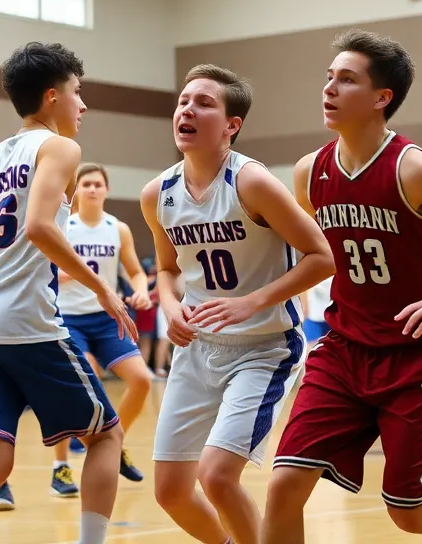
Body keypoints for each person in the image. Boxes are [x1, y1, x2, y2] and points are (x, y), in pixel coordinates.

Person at [262, 30, 422, 544]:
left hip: (417, 355)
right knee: (283, 485)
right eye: (328, 77)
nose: (329, 89)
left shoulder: (415, 169)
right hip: (343, 347)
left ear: (383, 98)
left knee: (408, 508)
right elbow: (315, 253)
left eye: (346, 79)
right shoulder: (308, 172)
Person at [0, 41, 137, 544]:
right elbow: (38, 225)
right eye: (79, 92)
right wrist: (104, 288)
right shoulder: (60, 147)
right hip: (25, 325)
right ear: (53, 96)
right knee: (106, 436)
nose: (84, 104)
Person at [142, 64, 334, 544]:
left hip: (263, 348)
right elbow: (167, 269)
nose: (188, 109)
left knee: (218, 476)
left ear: (232, 125)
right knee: (170, 491)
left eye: (204, 103)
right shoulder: (157, 194)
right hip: (196, 348)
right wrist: (169, 305)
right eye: (184, 100)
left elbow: (322, 257)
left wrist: (253, 301)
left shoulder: (252, 182)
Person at [0, 162, 154, 506]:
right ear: (76, 190)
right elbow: (38, 262)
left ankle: (115, 442)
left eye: (98, 184)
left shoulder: (118, 228)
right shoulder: (62, 225)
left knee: (141, 380)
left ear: (106, 190)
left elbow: (134, 271)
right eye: (86, 184)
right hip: (67, 317)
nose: (93, 189)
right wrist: (58, 273)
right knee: (79, 383)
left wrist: (140, 289)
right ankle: (61, 467)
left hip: (107, 317)